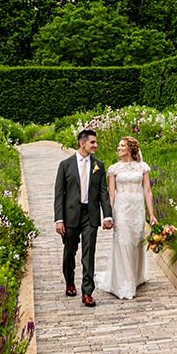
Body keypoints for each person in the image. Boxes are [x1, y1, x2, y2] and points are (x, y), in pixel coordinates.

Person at [53, 129, 112, 307]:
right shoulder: (65, 165)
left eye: (95, 142)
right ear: (82, 143)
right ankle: (69, 282)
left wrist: (107, 215)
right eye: (93, 142)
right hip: (70, 215)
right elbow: (59, 194)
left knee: (89, 253)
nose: (96, 145)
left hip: (90, 215)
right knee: (69, 252)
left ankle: (87, 292)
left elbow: (104, 193)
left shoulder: (99, 165)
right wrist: (59, 219)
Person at [95, 135, 156, 300]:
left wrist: (151, 214)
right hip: (121, 210)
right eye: (118, 146)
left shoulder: (143, 167)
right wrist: (109, 215)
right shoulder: (114, 169)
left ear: (130, 148)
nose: (119, 148)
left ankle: (135, 278)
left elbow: (147, 191)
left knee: (136, 243)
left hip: (137, 211)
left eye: (122, 146)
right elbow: (111, 194)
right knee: (123, 242)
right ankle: (125, 284)